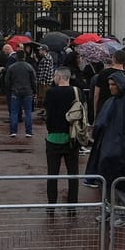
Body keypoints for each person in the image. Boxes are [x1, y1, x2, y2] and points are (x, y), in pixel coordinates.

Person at [88, 70, 125, 221]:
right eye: (109, 85)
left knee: (121, 184)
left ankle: (123, 215)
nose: (111, 87)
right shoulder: (110, 102)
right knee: (105, 181)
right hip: (106, 149)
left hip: (123, 150)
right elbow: (100, 123)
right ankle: (108, 210)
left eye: (113, 84)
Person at [41, 68, 84, 207]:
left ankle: (51, 205)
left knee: (52, 174)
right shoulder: (77, 92)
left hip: (53, 137)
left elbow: (47, 111)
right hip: (72, 137)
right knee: (73, 174)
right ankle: (73, 205)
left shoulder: (51, 92)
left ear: (59, 77)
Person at [3, 51, 37, 137]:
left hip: (15, 91)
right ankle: (28, 132)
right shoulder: (29, 67)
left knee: (14, 112)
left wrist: (10, 89)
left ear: (16, 57)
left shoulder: (11, 67)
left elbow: (7, 81)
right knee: (28, 112)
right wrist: (34, 91)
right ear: (24, 57)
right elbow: (33, 81)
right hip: (27, 92)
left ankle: (13, 131)